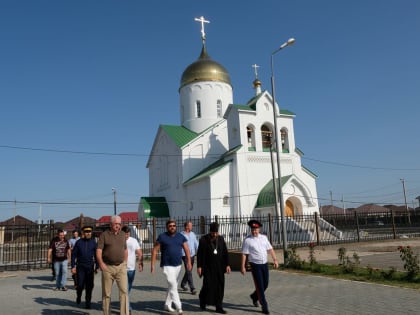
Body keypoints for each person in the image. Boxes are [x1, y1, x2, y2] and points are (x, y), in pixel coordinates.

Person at [151, 219, 192, 315]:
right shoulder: (162, 237)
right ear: (167, 227)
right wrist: (152, 265)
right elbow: (154, 251)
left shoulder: (181, 237)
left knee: (171, 286)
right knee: (173, 285)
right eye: (170, 226)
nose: (172, 227)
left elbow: (187, 250)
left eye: (174, 225)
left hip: (178, 265)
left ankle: (167, 305)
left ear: (176, 226)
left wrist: (189, 262)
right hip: (167, 265)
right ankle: (179, 307)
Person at [241, 220, 279, 315]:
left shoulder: (264, 238)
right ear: (251, 229)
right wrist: (243, 267)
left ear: (259, 229)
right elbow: (244, 254)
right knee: (260, 286)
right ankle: (264, 306)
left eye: (256, 229)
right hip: (255, 265)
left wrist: (275, 260)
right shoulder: (247, 240)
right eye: (253, 229)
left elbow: (270, 249)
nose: (254, 231)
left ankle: (254, 296)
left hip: (264, 264)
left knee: (265, 284)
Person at [96, 215, 129, 315]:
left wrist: (125, 263)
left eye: (119, 224)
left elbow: (125, 250)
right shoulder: (104, 235)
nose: (118, 226)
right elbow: (98, 251)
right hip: (107, 268)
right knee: (106, 294)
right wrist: (101, 263)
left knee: (124, 292)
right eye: (116, 224)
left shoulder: (123, 234)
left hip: (121, 267)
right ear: (111, 224)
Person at [197, 222, 231, 314]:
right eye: (213, 233)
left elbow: (225, 252)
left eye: (216, 233)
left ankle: (219, 306)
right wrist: (199, 266)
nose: (215, 234)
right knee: (207, 285)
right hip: (207, 267)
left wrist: (227, 265)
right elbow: (200, 254)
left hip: (219, 267)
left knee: (220, 286)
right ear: (210, 231)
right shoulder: (203, 240)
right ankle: (202, 299)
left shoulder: (221, 239)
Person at [71, 226, 97, 309]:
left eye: (89, 232)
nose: (88, 233)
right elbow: (73, 255)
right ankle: (79, 296)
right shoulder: (79, 242)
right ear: (83, 233)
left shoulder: (93, 242)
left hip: (90, 266)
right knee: (80, 285)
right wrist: (73, 266)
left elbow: (96, 255)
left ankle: (88, 302)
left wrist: (97, 266)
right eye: (86, 232)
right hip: (80, 267)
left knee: (89, 286)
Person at [122, 225, 143, 312]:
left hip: (131, 268)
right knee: (125, 289)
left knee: (128, 288)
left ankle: (124, 302)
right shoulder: (119, 240)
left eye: (128, 234)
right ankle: (127, 307)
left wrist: (140, 263)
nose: (126, 236)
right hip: (122, 268)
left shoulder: (133, 241)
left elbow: (139, 252)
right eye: (125, 234)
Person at [180, 220, 199, 295]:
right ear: (187, 226)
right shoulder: (181, 235)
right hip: (184, 255)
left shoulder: (192, 234)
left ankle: (183, 284)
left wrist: (199, 252)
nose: (192, 226)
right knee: (189, 270)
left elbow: (196, 243)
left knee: (189, 270)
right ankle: (192, 288)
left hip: (192, 254)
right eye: (191, 225)